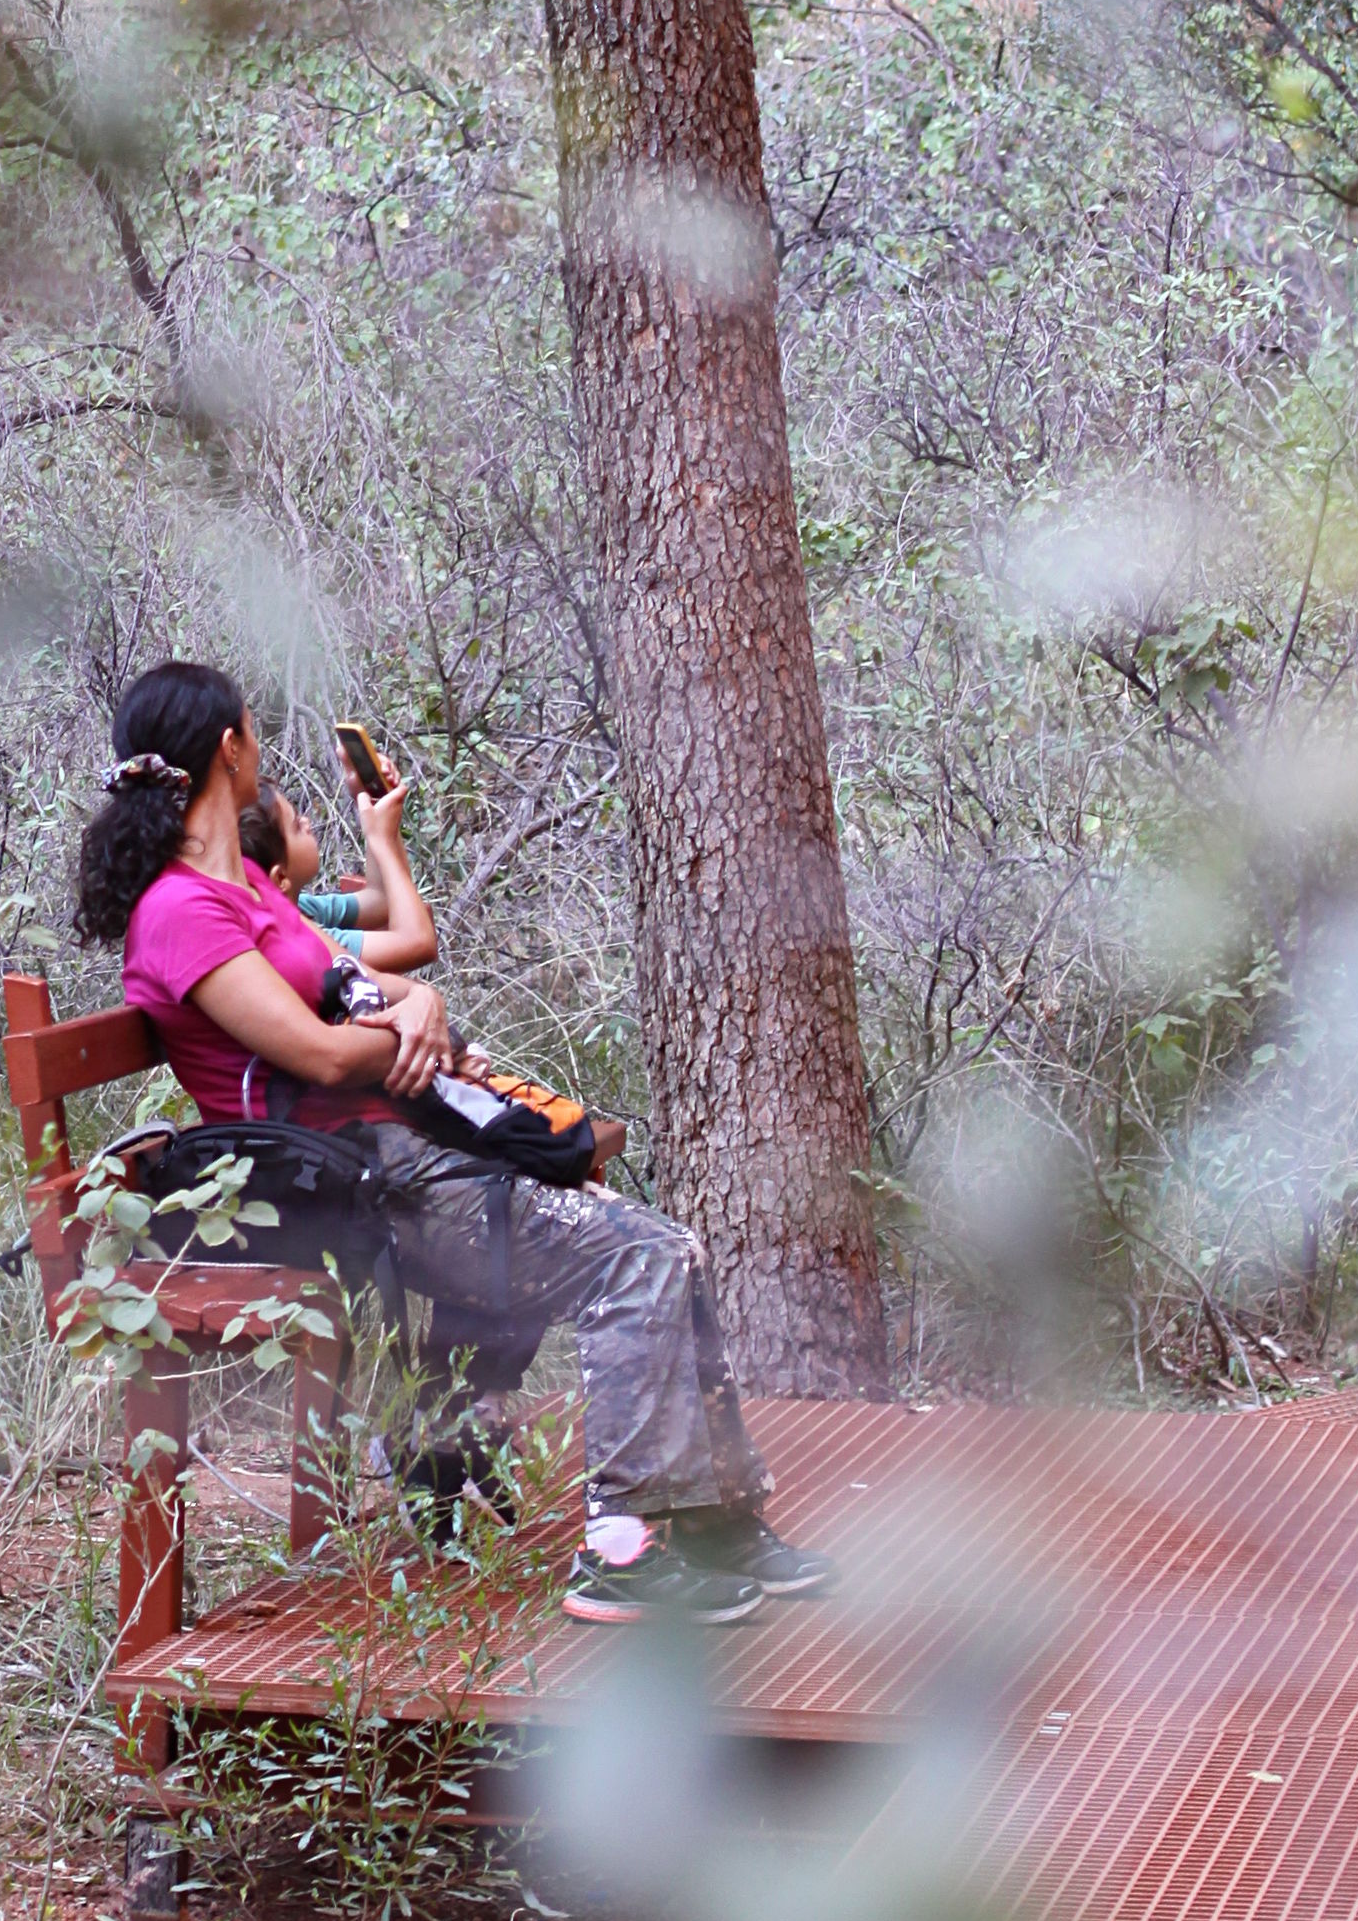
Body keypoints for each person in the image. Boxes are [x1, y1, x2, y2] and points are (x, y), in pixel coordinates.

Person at [74, 656, 824, 1627]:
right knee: (638, 1258)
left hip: (406, 1155)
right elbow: (317, 1051)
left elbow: (371, 981)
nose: (261, 747)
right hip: (343, 1193)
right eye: (254, 730)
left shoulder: (250, 891)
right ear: (229, 748)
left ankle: (720, 1522)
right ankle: (621, 1550)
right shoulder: (180, 912)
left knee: (665, 1247)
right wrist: (401, 1027)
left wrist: (417, 1000)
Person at [237, 761, 436, 976]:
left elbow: (380, 901)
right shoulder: (304, 938)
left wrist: (372, 797)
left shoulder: (301, 907)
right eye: (296, 826)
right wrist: (382, 841)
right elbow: (418, 944)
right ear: (280, 877)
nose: (306, 822)